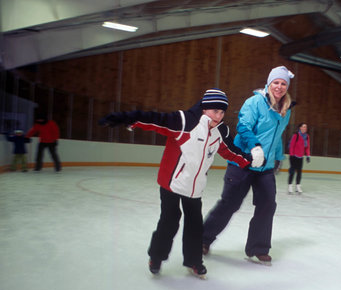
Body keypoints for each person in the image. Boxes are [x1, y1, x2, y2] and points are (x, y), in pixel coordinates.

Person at [98, 88, 264, 279]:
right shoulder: (184, 121)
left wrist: (249, 160)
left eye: (222, 112)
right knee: (170, 220)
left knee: (195, 225)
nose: (219, 116)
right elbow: (153, 120)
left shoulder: (220, 131)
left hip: (195, 187)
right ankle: (156, 257)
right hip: (172, 183)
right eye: (215, 111)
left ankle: (194, 261)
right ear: (204, 108)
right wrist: (124, 118)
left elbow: (231, 151)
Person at [202, 66, 295, 265]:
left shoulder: (284, 110)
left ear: (287, 87)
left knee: (267, 205)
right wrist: (255, 147)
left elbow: (277, 137)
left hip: (265, 168)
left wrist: (278, 157)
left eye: (283, 83)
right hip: (243, 162)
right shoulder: (254, 102)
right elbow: (243, 126)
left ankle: (258, 247)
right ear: (269, 83)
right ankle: (202, 239)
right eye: (276, 82)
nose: (279, 86)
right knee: (230, 204)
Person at [287, 123, 310, 194]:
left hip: (301, 157)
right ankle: (290, 186)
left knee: (299, 172)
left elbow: (307, 147)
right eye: (303, 127)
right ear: (300, 128)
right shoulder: (296, 135)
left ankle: (298, 186)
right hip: (294, 156)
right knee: (292, 172)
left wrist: (308, 156)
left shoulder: (307, 136)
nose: (305, 128)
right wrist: (291, 155)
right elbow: (291, 146)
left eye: (306, 127)